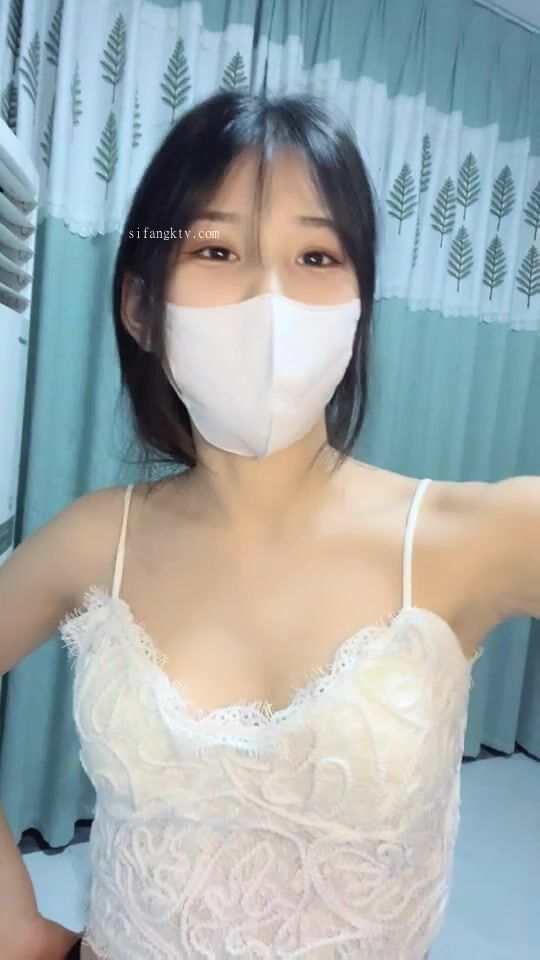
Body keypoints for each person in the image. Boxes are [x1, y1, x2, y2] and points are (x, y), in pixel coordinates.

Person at [0, 89, 537, 960]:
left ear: (359, 310)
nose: (271, 298)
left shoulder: (470, 536)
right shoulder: (98, 538)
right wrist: (15, 925)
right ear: (140, 307)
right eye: (216, 249)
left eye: (317, 256)